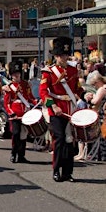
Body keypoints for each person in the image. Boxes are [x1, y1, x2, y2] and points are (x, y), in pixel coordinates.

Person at [39, 36, 84, 182]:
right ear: (56, 56)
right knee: (58, 140)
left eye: (65, 55)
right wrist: (53, 105)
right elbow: (43, 91)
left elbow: (76, 88)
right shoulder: (49, 72)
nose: (64, 58)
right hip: (56, 109)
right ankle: (56, 169)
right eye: (61, 55)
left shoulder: (72, 70)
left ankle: (68, 172)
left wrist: (84, 94)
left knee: (70, 141)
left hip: (70, 108)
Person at [4, 61, 37, 163]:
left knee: (23, 135)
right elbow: (7, 103)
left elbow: (30, 97)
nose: (16, 75)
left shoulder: (25, 84)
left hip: (25, 113)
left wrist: (36, 101)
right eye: (14, 73)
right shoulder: (9, 87)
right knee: (16, 134)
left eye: (17, 73)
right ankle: (14, 154)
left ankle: (21, 155)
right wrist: (11, 112)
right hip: (15, 114)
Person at [84, 70, 106, 161]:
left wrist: (90, 98)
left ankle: (102, 156)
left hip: (102, 114)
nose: (94, 86)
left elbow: (95, 101)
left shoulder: (102, 89)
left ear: (97, 82)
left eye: (94, 84)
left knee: (102, 137)